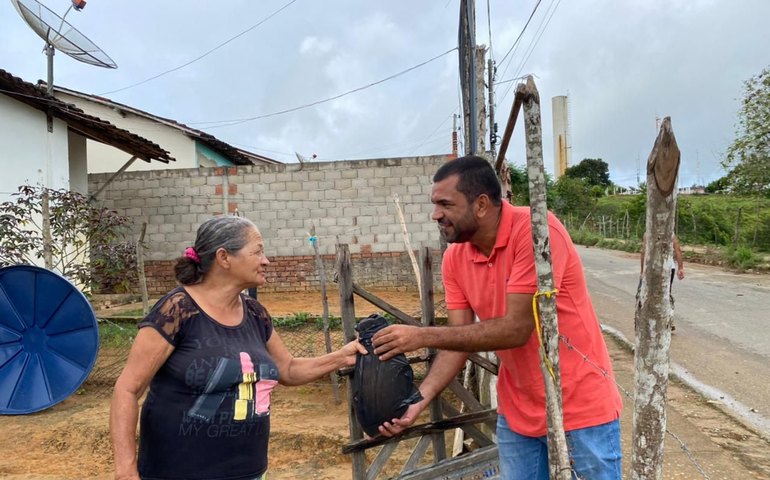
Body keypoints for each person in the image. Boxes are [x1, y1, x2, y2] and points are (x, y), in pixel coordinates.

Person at [372, 155, 623, 480]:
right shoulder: (455, 259)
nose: (436, 215)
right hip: (518, 414)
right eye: (435, 205)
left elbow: (516, 329)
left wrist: (421, 335)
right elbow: (457, 340)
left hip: (580, 409)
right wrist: (419, 400)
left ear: (480, 204)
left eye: (445, 204)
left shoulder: (536, 232)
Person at [110, 216, 366, 480]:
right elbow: (128, 389)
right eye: (257, 252)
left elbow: (287, 369)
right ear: (224, 257)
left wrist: (342, 356)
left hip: (250, 473)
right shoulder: (177, 310)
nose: (266, 261)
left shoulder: (255, 313)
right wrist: (126, 471)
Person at [640, 233, 685, 330]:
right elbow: (678, 251)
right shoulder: (670, 233)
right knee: (666, 294)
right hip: (668, 268)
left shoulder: (649, 233)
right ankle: (668, 319)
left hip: (653, 268)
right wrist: (680, 268)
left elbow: (644, 251)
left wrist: (642, 270)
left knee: (649, 294)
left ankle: (651, 321)